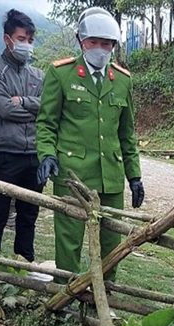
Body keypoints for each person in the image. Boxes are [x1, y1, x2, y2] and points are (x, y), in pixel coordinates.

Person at [35, 7, 144, 281]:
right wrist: (47, 155)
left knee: (111, 243)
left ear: (113, 46)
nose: (99, 48)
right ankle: (66, 298)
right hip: (73, 174)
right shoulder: (62, 74)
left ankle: (106, 297)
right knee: (69, 241)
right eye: (93, 42)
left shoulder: (122, 80)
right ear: (81, 42)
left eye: (106, 43)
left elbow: (127, 134)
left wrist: (134, 175)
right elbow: (47, 122)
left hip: (111, 176)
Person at [0, 9, 45, 265]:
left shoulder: (38, 75)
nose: (26, 45)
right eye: (21, 39)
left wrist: (24, 102)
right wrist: (34, 108)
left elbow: (49, 108)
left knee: (29, 216)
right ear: (7, 39)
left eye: (30, 40)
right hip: (5, 155)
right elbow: (4, 108)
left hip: (34, 156)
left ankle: (24, 265)